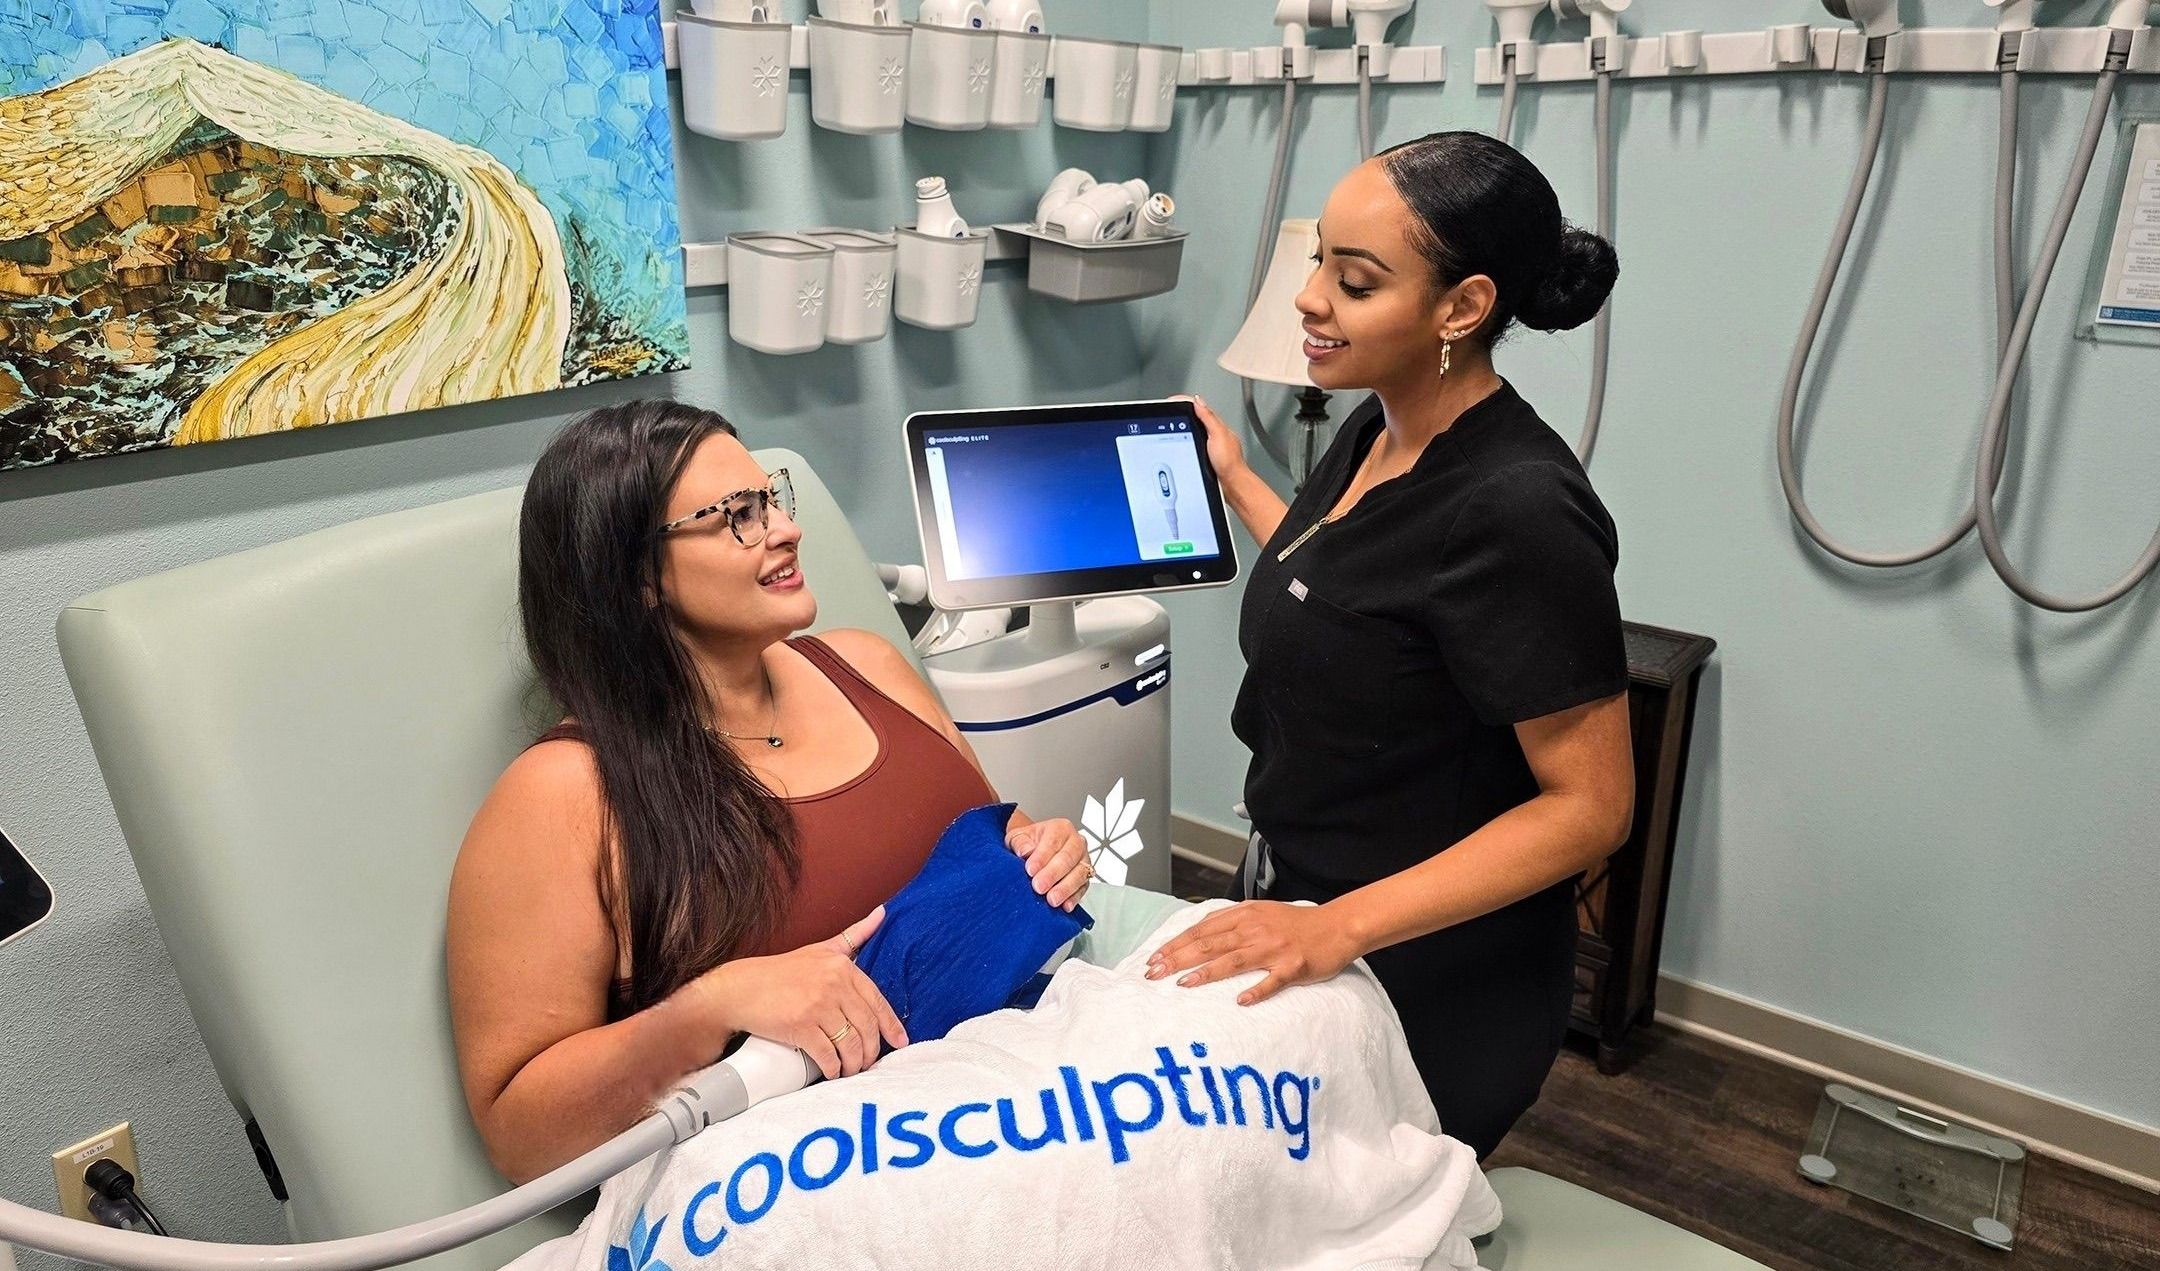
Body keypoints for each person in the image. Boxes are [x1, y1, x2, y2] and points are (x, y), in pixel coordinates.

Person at [447, 401, 1094, 1183]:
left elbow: (999, 835)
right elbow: (519, 1136)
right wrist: (714, 1004)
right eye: (737, 517)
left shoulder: (867, 665)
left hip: (1035, 1088)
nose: (786, 527)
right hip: (827, 1180)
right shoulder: (565, 793)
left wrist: (1047, 850)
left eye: (772, 498)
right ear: (637, 576)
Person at [1149, 132, 1636, 1159]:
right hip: (1313, 909)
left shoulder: (1519, 509)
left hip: (1431, 973)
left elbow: (1592, 807)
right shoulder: (1382, 432)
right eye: (1319, 259)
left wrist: (1338, 927)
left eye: (1355, 280)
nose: (1310, 298)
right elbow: (1352, 585)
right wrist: (1235, 476)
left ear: (1461, 308)